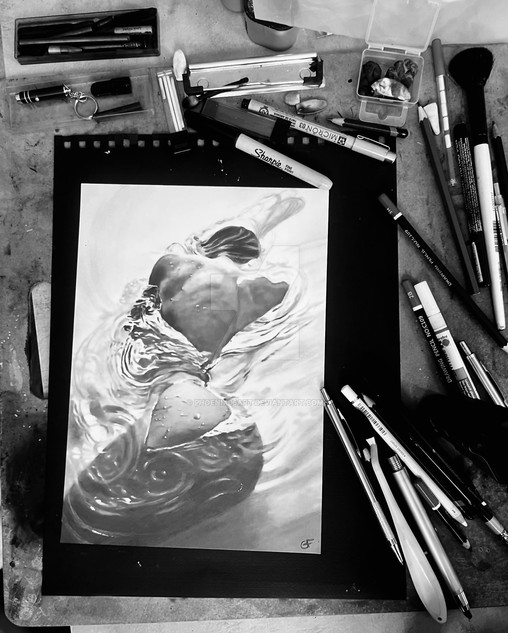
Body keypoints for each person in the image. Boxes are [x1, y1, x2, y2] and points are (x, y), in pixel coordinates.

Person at [63, 190, 309, 545]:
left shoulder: (141, 389)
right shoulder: (196, 301)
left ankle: (244, 238)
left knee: (220, 285)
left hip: (182, 332)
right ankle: (245, 237)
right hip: (182, 329)